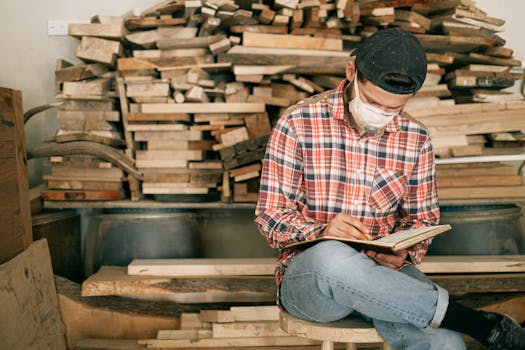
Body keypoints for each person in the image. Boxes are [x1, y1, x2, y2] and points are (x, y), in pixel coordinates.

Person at [254, 28, 525, 350]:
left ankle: (460, 324)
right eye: (372, 102)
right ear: (351, 72)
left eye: (393, 109)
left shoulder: (416, 138)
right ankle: (475, 322)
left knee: (446, 342)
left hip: (384, 279)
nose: (381, 115)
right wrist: (323, 231)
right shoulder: (297, 122)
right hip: (313, 283)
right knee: (333, 258)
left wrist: (403, 252)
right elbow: (271, 216)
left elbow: (422, 220)